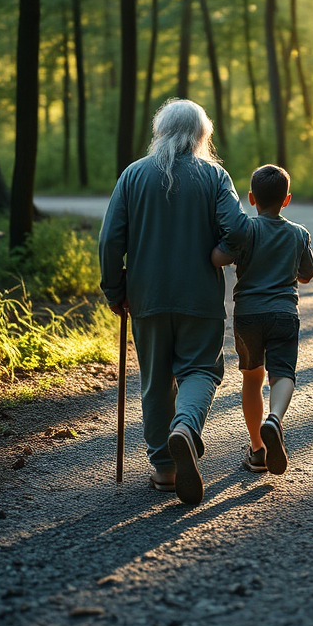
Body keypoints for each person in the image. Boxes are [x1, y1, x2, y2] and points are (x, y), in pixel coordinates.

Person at [99, 99, 249, 506]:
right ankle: (185, 427)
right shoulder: (214, 175)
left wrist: (116, 289)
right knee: (201, 370)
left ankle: (165, 471)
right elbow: (238, 228)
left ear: (160, 131)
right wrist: (220, 254)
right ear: (202, 135)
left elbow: (110, 240)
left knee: (156, 381)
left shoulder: (133, 175)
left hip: (146, 296)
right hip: (199, 295)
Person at [211, 163, 313, 476]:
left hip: (248, 315)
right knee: (282, 373)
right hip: (284, 313)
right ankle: (275, 419)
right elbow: (307, 275)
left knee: (252, 378)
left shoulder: (245, 230)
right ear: (287, 199)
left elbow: (220, 257)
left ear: (251, 198)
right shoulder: (299, 234)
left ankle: (258, 450)